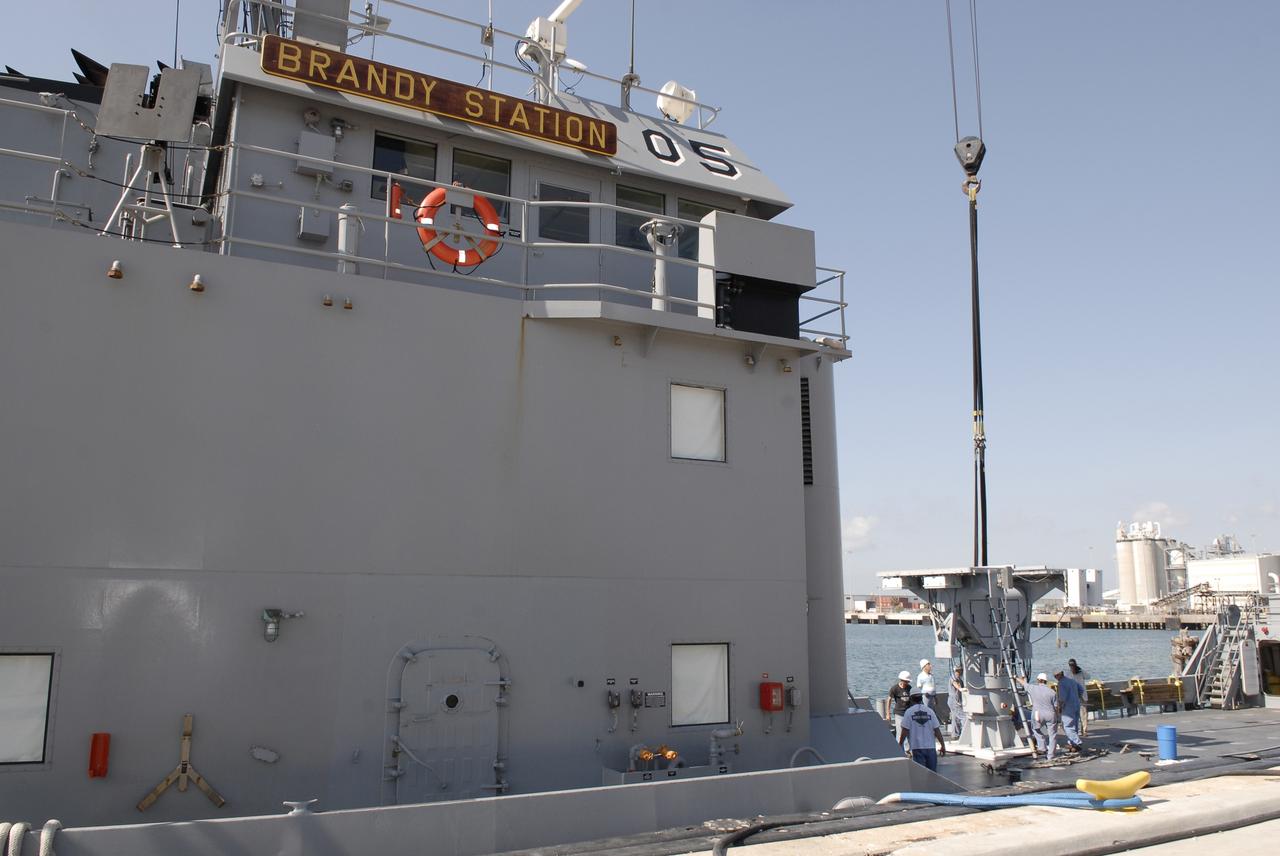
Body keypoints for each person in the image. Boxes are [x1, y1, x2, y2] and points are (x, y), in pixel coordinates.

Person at [898, 692, 947, 771]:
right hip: (930, 747)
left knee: (920, 773)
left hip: (917, 747)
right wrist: (942, 745)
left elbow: (905, 730)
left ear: (911, 699)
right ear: (921, 698)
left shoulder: (909, 712)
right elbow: (937, 730)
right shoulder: (930, 711)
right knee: (932, 774)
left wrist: (900, 744)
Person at [1022, 672, 1059, 761]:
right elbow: (1056, 706)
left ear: (1038, 680)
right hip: (1051, 714)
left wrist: (1016, 678)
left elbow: (1024, 684)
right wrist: (1057, 717)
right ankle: (1051, 756)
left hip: (1038, 714)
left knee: (1035, 729)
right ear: (1046, 681)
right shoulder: (1052, 692)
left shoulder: (1033, 688)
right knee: (1052, 735)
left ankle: (1042, 747)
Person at [1055, 668, 1085, 752]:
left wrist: (1059, 708)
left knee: (1067, 726)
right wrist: (1076, 697)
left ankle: (1077, 741)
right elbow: (1081, 690)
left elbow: (1062, 698)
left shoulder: (1061, 683)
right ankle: (1072, 744)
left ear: (1058, 675)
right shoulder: (1072, 680)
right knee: (1074, 725)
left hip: (1068, 707)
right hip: (1076, 705)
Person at [1067, 658, 1090, 736]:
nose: (1072, 667)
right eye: (1071, 666)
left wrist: (1081, 670)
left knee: (1083, 714)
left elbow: (1088, 676)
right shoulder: (1068, 674)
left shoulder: (1081, 673)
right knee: (1075, 715)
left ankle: (1085, 730)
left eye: (1073, 666)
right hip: (1073, 698)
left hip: (1082, 696)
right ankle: (1078, 730)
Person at [887, 671, 913, 739]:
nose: (907, 683)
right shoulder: (894, 688)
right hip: (899, 713)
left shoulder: (909, 688)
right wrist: (888, 714)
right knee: (900, 732)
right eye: (906, 681)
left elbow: (912, 700)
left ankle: (908, 749)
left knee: (909, 732)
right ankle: (900, 748)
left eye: (908, 681)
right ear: (902, 680)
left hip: (908, 713)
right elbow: (889, 699)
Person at [947, 665, 966, 739]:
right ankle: (965, 735)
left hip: (955, 701)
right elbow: (955, 684)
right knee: (963, 717)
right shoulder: (953, 677)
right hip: (954, 701)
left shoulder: (960, 679)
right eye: (960, 670)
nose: (961, 672)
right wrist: (960, 689)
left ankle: (955, 735)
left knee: (955, 718)